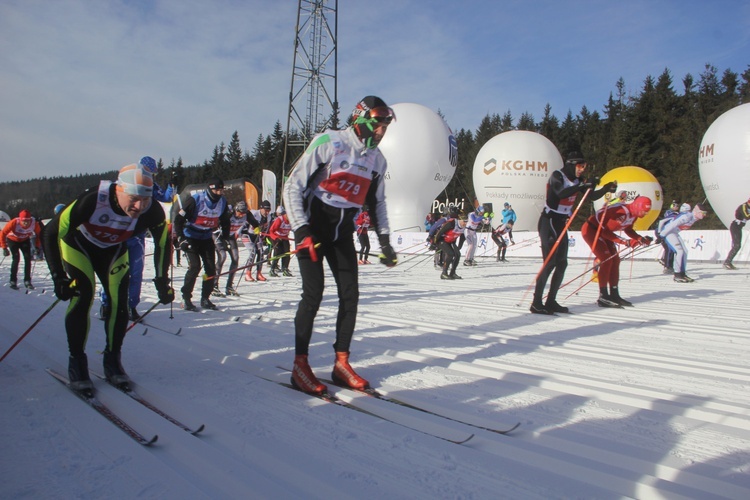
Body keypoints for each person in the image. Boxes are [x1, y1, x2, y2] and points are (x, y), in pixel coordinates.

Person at [283, 95, 398, 395]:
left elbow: (378, 204)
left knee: (351, 296)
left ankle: (341, 363)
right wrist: (301, 228)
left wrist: (384, 241)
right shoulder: (330, 143)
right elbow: (292, 185)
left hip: (342, 233)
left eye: (385, 126)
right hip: (312, 228)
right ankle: (300, 365)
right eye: (378, 124)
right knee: (314, 294)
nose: (382, 131)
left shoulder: (377, 160)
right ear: (361, 120)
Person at [42, 164, 174, 391]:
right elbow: (51, 232)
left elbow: (163, 244)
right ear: (118, 190)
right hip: (78, 245)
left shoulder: (152, 211)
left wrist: (163, 281)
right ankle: (77, 362)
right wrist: (58, 277)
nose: (139, 206)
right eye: (133, 198)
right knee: (83, 296)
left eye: (145, 199)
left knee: (119, 302)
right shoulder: (93, 199)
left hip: (112, 250)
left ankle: (112, 361)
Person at [531, 152, 617, 315]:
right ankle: (536, 302)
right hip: (549, 222)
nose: (582, 170)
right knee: (549, 263)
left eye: (584, 167)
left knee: (562, 263)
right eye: (580, 166)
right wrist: (581, 186)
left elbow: (590, 196)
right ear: (571, 164)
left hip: (562, 222)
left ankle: (551, 301)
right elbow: (559, 193)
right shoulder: (558, 176)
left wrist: (605, 187)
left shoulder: (578, 180)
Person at [100, 156, 174, 321]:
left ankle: (131, 306)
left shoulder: (152, 186)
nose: (151, 176)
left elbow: (167, 197)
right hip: (118, 235)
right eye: (149, 172)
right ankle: (107, 304)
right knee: (113, 272)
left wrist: (171, 186)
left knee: (136, 273)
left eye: (153, 173)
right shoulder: (128, 182)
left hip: (138, 235)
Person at [581, 196, 653, 307]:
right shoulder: (621, 213)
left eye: (647, 212)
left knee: (615, 261)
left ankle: (614, 294)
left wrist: (639, 238)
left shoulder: (633, 214)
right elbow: (605, 232)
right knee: (607, 260)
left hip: (604, 232)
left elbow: (628, 229)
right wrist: (626, 242)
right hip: (593, 230)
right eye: (644, 211)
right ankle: (603, 296)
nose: (645, 214)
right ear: (638, 207)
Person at [173, 177, 230, 311]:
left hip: (206, 237)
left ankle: (205, 297)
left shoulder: (222, 202)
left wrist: (225, 238)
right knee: (195, 267)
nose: (219, 193)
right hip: (190, 236)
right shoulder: (196, 199)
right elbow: (178, 219)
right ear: (210, 188)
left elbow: (225, 221)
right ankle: (186, 297)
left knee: (210, 269)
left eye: (221, 190)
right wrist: (181, 239)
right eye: (216, 190)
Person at [657, 203, 708, 283]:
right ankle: (677, 275)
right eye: (703, 213)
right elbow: (672, 224)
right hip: (668, 232)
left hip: (674, 233)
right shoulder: (687, 216)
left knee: (685, 251)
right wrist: (661, 235)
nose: (704, 215)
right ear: (698, 212)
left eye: (705, 213)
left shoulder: (693, 218)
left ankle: (682, 273)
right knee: (679, 251)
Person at [215, 201, 256, 296]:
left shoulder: (247, 214)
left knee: (235, 258)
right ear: (236, 210)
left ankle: (229, 286)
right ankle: (214, 285)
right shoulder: (229, 213)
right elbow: (218, 222)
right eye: (240, 213)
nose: (241, 215)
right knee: (222, 256)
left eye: (243, 213)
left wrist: (257, 228)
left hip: (230, 236)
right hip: (219, 236)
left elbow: (255, 223)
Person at [1, 209, 42, 290]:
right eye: (24, 221)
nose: (26, 223)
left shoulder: (34, 223)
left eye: (28, 221)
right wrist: (4, 248)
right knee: (16, 259)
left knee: (28, 258)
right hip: (12, 240)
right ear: (20, 219)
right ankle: (13, 280)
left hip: (24, 240)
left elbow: (39, 235)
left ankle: (27, 280)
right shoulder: (14, 222)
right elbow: (3, 233)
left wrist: (37, 246)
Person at [243, 200, 272, 282]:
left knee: (261, 252)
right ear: (261, 208)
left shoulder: (268, 217)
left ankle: (259, 273)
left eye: (268, 210)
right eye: (265, 210)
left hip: (256, 235)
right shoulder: (254, 213)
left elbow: (265, 229)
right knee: (253, 251)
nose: (267, 212)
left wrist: (263, 237)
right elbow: (243, 224)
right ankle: (248, 273)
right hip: (247, 234)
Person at [434, 205, 464, 279]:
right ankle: (444, 273)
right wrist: (435, 243)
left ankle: (452, 273)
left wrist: (458, 247)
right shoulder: (451, 223)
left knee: (457, 254)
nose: (465, 223)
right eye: (464, 221)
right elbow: (440, 232)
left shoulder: (463, 226)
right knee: (450, 254)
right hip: (442, 240)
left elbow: (462, 237)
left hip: (451, 241)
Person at [723, 196, 750, 270]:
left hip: (739, 227)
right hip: (735, 226)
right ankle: (727, 262)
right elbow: (747, 216)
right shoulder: (743, 206)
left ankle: (728, 262)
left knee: (737, 245)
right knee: (737, 245)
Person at [655, 200, 680, 274]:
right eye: (675, 205)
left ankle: (666, 262)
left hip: (666, 231)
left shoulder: (676, 214)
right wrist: (659, 233)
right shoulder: (670, 213)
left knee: (670, 248)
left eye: (677, 206)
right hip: (663, 231)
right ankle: (667, 266)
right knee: (669, 248)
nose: (676, 207)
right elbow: (662, 221)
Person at [268, 206, 293, 277]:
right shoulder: (280, 220)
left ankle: (285, 269)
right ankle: (272, 269)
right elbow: (271, 231)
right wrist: (276, 237)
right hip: (276, 237)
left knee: (287, 252)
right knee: (278, 252)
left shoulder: (291, 221)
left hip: (284, 237)